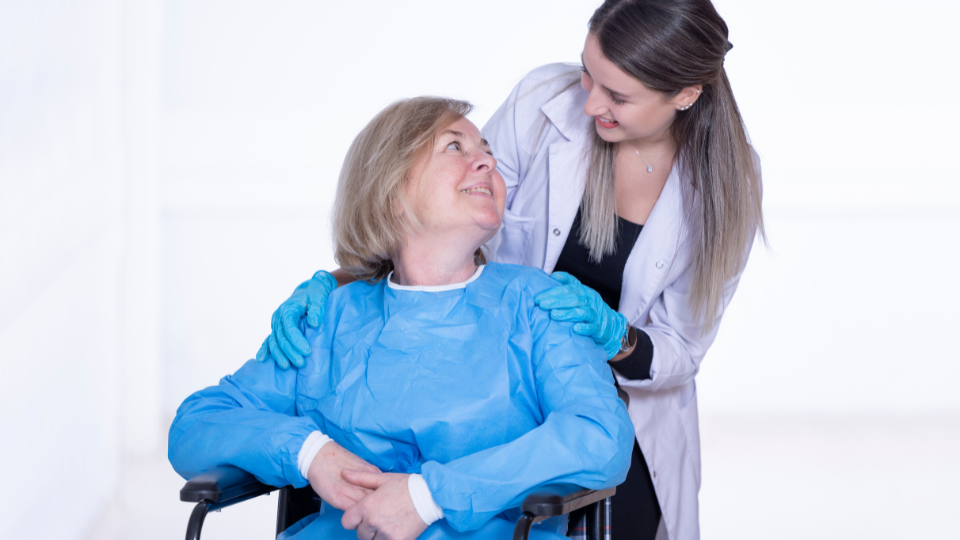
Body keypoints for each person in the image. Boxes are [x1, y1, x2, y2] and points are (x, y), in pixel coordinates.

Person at [256, 1, 763, 538]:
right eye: (589, 74)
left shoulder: (725, 187)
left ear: (685, 95)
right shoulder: (544, 101)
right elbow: (445, 216)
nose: (590, 104)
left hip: (614, 408)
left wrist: (616, 336)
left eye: (617, 96)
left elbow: (682, 348)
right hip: (497, 382)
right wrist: (338, 283)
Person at [169, 97, 634, 540]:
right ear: (391, 192)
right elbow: (194, 427)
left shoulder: (537, 305)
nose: (487, 163)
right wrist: (308, 453)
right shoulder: (329, 319)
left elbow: (599, 435)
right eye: (456, 146)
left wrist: (429, 496)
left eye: (488, 153)